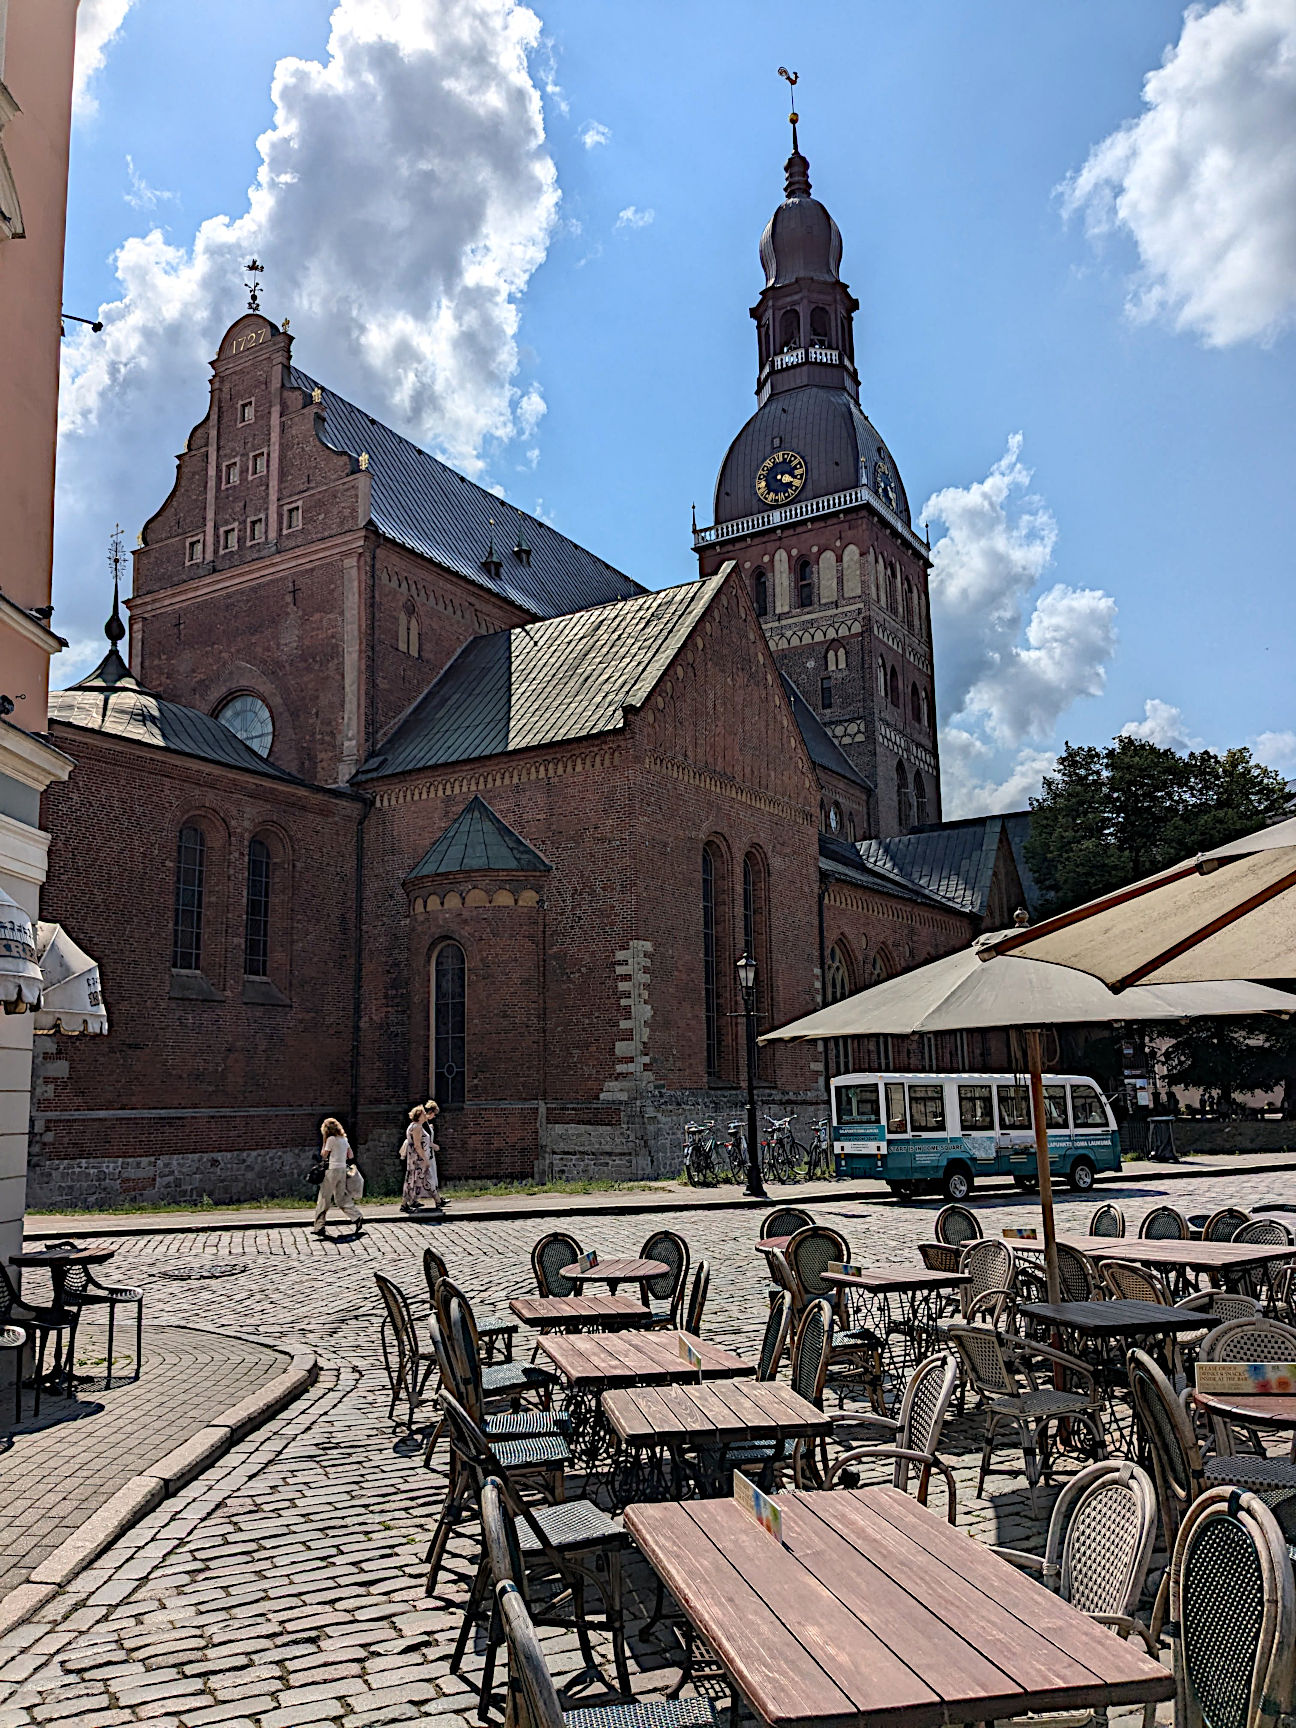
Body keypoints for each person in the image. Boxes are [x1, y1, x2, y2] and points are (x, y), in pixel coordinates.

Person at [313, 1116, 364, 1236]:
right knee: (341, 1198)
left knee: (324, 1198)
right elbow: (350, 1155)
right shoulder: (343, 1139)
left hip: (332, 1170)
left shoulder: (330, 1139)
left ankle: (319, 1226)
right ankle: (357, 1216)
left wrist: (324, 1142)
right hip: (342, 1169)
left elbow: (324, 1155)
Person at [399, 1104, 437, 1214]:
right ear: (419, 1116)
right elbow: (417, 1145)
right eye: (423, 1113)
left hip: (415, 1158)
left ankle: (410, 1202)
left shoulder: (415, 1126)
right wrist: (425, 1159)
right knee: (415, 1180)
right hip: (417, 1159)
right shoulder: (417, 1127)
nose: (425, 1115)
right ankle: (405, 1203)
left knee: (416, 1180)